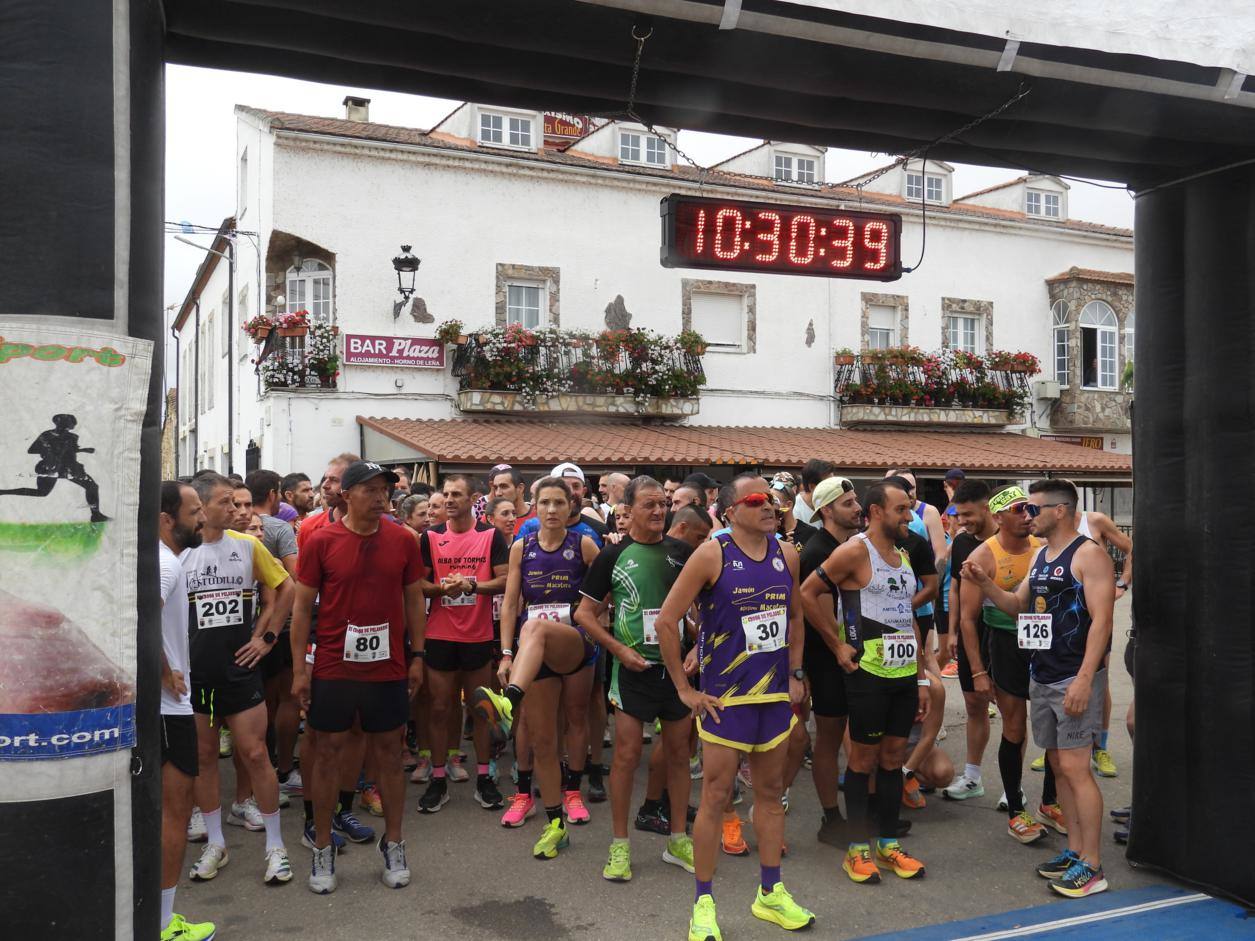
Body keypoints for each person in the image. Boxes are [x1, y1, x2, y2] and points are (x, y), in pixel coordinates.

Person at [657, 473, 815, 940]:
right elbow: (667, 621)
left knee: (771, 795)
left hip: (773, 696)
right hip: (726, 699)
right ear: (729, 511)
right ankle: (703, 904)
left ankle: (770, 893)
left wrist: (796, 673)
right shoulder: (713, 554)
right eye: (756, 499)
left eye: (772, 500)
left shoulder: (787, 553)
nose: (769, 506)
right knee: (715, 797)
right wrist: (684, 690)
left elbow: (796, 616)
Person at [963, 478, 1115, 898]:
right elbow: (1016, 606)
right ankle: (1075, 851)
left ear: (1059, 511)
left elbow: (1103, 621)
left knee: (1077, 769)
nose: (1027, 515)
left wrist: (1085, 678)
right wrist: (984, 582)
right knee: (1060, 766)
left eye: (1033, 509)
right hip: (1043, 673)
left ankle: (1093, 866)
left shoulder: (1088, 555)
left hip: (1073, 676)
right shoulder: (1041, 556)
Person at [290, 461, 427, 893]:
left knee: (389, 753)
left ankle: (395, 842)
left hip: (388, 665)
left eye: (384, 488)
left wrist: (418, 655)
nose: (380, 496)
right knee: (327, 752)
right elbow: (301, 608)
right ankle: (322, 845)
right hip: (334, 664)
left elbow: (414, 600)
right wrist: (299, 669)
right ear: (346, 495)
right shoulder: (320, 540)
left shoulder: (403, 540)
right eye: (369, 489)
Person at [801, 480, 928, 886]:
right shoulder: (855, 551)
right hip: (868, 673)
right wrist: (836, 644)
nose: (908, 516)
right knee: (862, 760)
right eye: (901, 509)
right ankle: (857, 850)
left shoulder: (903, 556)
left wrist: (922, 677)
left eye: (909, 509)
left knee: (893, 760)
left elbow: (906, 617)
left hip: (903, 674)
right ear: (876, 512)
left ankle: (887, 844)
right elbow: (807, 593)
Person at [470, 476, 602, 858]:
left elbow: (606, 588)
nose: (551, 510)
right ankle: (555, 823)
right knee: (543, 738)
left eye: (559, 502)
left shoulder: (584, 544)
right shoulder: (521, 547)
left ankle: (573, 790)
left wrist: (592, 614)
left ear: (571, 506)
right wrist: (506, 654)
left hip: (575, 643)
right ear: (534, 505)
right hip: (533, 651)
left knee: (575, 716)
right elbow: (511, 604)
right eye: (544, 502)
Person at [574, 476, 696, 883]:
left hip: (676, 671)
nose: (659, 511)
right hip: (632, 671)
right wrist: (619, 650)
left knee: (678, 754)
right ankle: (620, 845)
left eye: (663, 504)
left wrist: (697, 648)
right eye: (649, 505)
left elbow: (708, 608)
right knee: (626, 756)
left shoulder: (682, 552)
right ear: (627, 510)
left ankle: (677, 839)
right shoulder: (613, 554)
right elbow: (583, 614)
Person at [183, 472, 294, 886]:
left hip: (239, 671)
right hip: (195, 676)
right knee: (204, 758)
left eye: (237, 502)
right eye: (226, 502)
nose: (236, 510)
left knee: (255, 754)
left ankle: (276, 847)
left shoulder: (247, 545)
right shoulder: (179, 551)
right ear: (203, 507)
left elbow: (286, 588)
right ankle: (216, 843)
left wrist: (267, 638)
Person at [956, 486, 1051, 843]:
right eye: (1017, 509)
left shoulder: (1043, 547)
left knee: (1053, 726)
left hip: (1044, 642)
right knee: (1014, 726)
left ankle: (1050, 802)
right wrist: (978, 672)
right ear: (997, 517)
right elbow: (967, 620)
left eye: (1028, 508)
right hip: (1005, 643)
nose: (1027, 515)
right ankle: (1015, 811)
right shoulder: (983, 556)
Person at [417, 474, 510, 813]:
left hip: (477, 635)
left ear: (473, 499)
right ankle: (438, 778)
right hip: (440, 635)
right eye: (446, 494)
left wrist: (472, 586)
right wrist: (442, 589)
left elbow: (505, 579)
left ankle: (484, 777)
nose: (450, 499)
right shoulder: (429, 537)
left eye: (457, 494)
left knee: (480, 709)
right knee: (440, 708)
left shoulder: (490, 535)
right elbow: (418, 583)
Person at [157, 481, 216, 941]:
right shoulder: (165, 564)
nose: (202, 519)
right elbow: (139, 616)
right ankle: (162, 926)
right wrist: (163, 671)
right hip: (168, 710)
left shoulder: (159, 559)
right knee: (173, 815)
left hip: (162, 708)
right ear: (166, 519)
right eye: (194, 512)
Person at [796, 476, 860, 845]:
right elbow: (818, 614)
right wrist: (837, 648)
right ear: (826, 511)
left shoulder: (851, 544)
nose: (857, 508)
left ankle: (866, 812)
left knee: (859, 735)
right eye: (848, 503)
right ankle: (831, 818)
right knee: (829, 738)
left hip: (853, 653)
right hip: (827, 658)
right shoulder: (817, 551)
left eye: (855, 500)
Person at [245, 470, 302, 800]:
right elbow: (295, 577)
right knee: (286, 699)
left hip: (247, 631)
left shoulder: (232, 530)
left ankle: (258, 777)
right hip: (282, 625)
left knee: (257, 704)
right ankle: (282, 769)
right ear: (272, 493)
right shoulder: (279, 528)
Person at [941, 480, 998, 803]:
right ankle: (973, 777)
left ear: (986, 508)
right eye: (958, 515)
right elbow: (954, 588)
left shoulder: (1009, 540)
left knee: (1012, 711)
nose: (962, 521)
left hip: (1003, 635)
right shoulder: (962, 542)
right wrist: (952, 631)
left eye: (967, 514)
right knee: (975, 705)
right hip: (969, 633)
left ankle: (1014, 787)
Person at [0, 413, 109, 521]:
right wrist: (49, 449)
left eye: (70, 425)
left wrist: (83, 450)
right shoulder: (46, 435)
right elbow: (31, 450)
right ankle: (2, 492)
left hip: (65, 467)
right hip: (52, 467)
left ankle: (96, 515)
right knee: (42, 492)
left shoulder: (72, 437)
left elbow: (70, 451)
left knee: (91, 486)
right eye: (68, 424)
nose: (69, 427)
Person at [490, 464, 534, 534]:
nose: (498, 493)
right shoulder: (490, 518)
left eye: (504, 486)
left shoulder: (539, 516)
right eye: (495, 488)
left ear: (520, 488)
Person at [793, 458, 836, 527]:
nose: (833, 488)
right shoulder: (795, 512)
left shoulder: (830, 504)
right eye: (828, 485)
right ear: (812, 487)